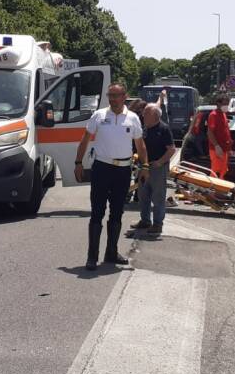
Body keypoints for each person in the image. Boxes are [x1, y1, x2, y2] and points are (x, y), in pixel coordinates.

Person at [74, 83, 149, 271]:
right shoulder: (99, 115)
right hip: (101, 168)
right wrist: (78, 163)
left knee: (117, 213)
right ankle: (92, 257)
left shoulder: (132, 118)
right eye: (110, 95)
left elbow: (140, 145)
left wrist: (145, 166)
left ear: (125, 96)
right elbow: (85, 139)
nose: (113, 99)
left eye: (116, 95)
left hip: (122, 171)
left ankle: (111, 253)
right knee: (97, 212)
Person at [131, 103, 176, 236]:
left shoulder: (163, 128)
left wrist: (160, 162)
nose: (143, 115)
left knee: (158, 197)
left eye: (146, 113)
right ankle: (145, 221)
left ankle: (157, 224)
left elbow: (171, 149)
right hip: (143, 167)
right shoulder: (143, 128)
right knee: (142, 196)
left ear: (155, 115)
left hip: (157, 168)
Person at [206, 94, 232, 179]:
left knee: (223, 170)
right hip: (217, 149)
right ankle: (213, 190)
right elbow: (210, 132)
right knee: (216, 171)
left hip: (224, 149)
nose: (226, 106)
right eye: (224, 104)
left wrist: (229, 146)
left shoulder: (223, 114)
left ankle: (219, 189)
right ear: (218, 103)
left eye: (227, 104)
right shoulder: (213, 115)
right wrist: (217, 146)